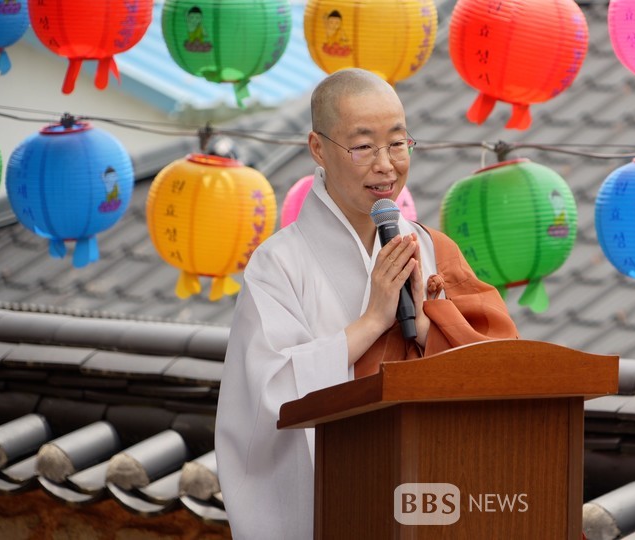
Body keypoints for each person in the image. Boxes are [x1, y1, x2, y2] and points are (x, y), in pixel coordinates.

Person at [215, 68, 517, 539]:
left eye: (397, 143)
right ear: (319, 149)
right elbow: (266, 400)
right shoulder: (278, 266)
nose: (386, 165)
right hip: (341, 505)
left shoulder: (434, 249)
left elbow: (501, 368)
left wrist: (423, 327)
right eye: (363, 147)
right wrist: (374, 320)